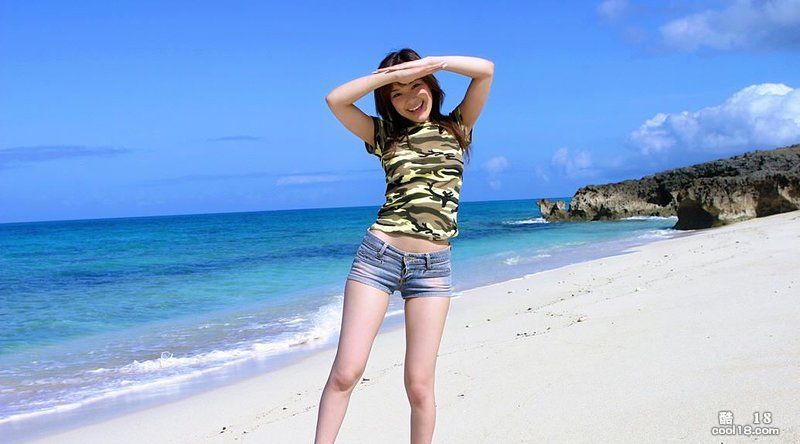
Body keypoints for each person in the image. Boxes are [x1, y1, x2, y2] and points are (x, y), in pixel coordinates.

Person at [316, 48, 493, 444]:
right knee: (346, 372)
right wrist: (388, 78)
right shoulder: (384, 135)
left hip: (433, 269)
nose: (410, 99)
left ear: (432, 84)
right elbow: (335, 99)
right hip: (379, 257)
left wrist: (430, 64)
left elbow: (485, 71)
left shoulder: (458, 126)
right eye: (397, 94)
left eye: (417, 87)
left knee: (419, 385)